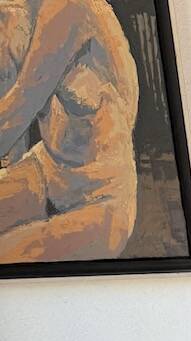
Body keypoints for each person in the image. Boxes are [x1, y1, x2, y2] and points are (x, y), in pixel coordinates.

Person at [0, 0, 138, 262]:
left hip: (99, 201)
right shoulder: (19, 11)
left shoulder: (68, 8)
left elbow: (12, 118)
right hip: (45, 172)